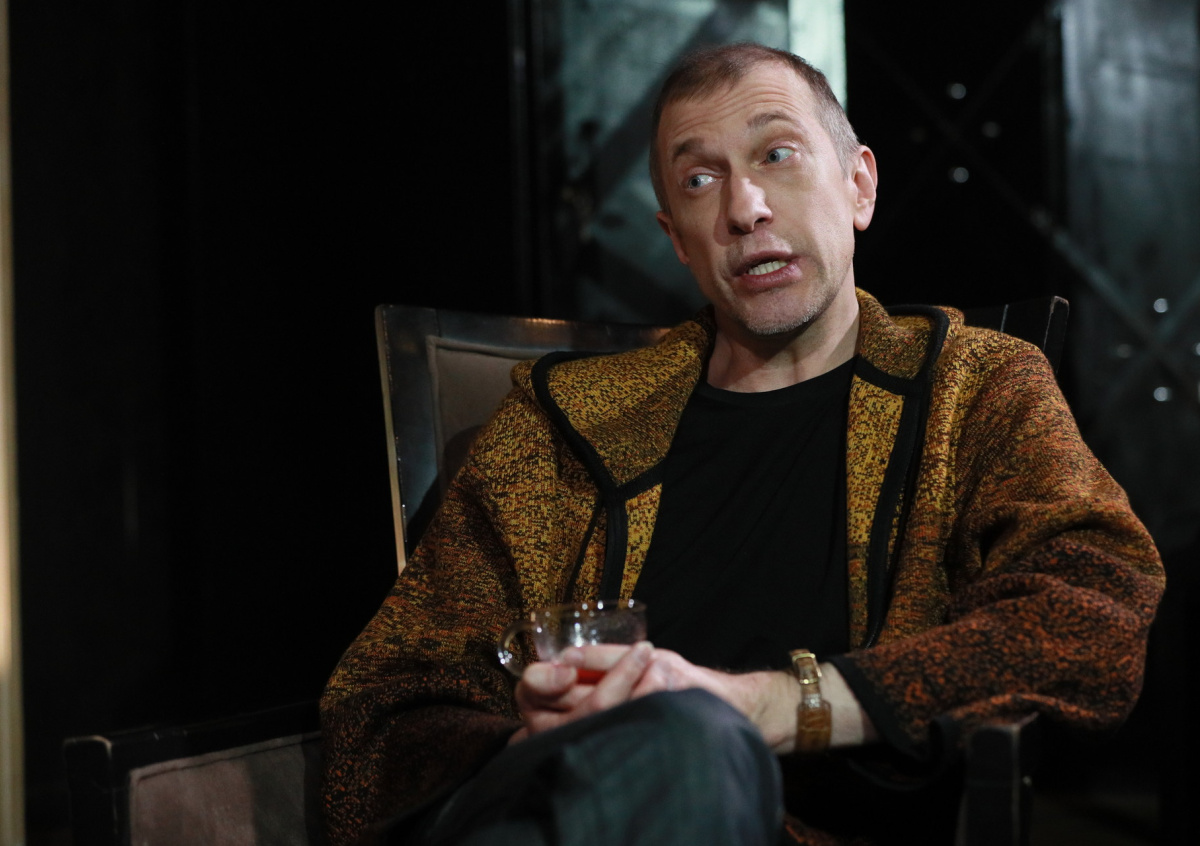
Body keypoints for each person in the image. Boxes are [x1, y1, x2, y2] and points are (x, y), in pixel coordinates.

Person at [320, 43, 1165, 846]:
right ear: (676, 238)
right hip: (553, 810)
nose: (744, 208)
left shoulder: (972, 390)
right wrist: (556, 743)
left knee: (694, 736)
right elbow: (384, 702)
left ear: (859, 185)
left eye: (777, 155)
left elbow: (1092, 612)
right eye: (700, 179)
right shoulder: (559, 425)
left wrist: (766, 706)